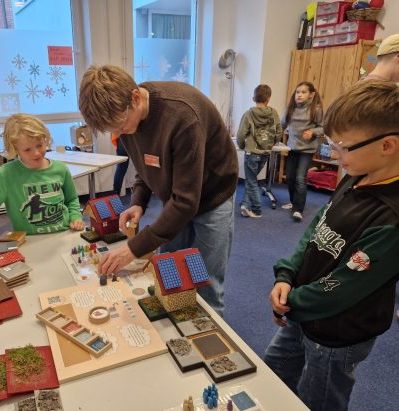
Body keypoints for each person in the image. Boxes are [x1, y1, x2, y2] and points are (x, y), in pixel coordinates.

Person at [263, 80, 399, 411]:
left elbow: (343, 288)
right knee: (273, 373)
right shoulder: (356, 176)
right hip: (303, 311)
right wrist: (287, 274)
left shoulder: (391, 216)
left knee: (319, 399)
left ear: (387, 145)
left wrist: (291, 301)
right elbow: (316, 230)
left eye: (343, 146)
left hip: (338, 334)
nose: (334, 154)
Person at [79, 65, 238, 316]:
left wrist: (133, 249)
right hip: (177, 196)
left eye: (120, 125)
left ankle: (210, 333)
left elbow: (186, 202)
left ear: (135, 97)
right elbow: (147, 164)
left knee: (206, 283)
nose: (118, 133)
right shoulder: (126, 117)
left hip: (212, 194)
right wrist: (138, 201)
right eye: (112, 129)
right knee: (168, 271)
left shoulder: (182, 116)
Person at [0, 113, 84, 265]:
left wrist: (75, 217)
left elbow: (71, 199)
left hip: (64, 237)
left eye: (40, 145)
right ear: (15, 149)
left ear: (45, 139)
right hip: (30, 243)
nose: (36, 153)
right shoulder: (7, 174)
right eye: (27, 149)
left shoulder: (61, 169)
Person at [236, 84, 282, 218]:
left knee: (251, 181)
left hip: (252, 153)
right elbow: (279, 132)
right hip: (265, 153)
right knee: (252, 180)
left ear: (253, 98)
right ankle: (245, 204)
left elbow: (240, 135)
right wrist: (271, 144)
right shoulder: (274, 113)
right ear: (268, 99)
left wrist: (242, 146)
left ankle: (256, 210)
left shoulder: (248, 114)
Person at [281, 81, 323, 222]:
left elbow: (323, 127)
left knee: (300, 178)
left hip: (307, 149)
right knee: (290, 177)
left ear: (311, 94)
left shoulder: (316, 110)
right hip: (292, 147)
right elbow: (282, 124)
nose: (299, 95)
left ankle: (298, 209)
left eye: (303, 92)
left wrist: (313, 132)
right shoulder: (291, 108)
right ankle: (294, 202)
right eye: (298, 92)